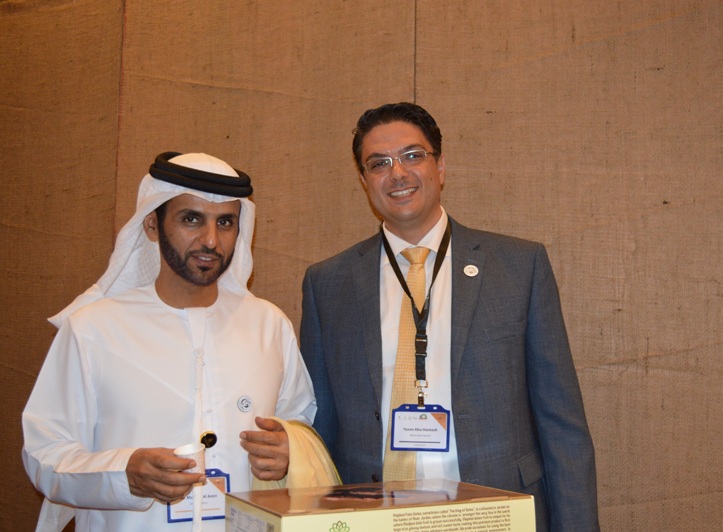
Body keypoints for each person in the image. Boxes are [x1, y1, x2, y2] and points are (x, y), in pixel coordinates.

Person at [300, 103, 599, 531]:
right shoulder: (328, 284)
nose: (397, 173)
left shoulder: (518, 267)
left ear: (440, 166)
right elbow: (320, 428)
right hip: (374, 517)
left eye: (412, 155)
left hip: (496, 511)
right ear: (364, 181)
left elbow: (561, 422)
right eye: (379, 163)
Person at [21, 152, 331, 531]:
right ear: (152, 225)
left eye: (225, 222)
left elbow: (299, 421)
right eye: (191, 219)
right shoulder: (93, 329)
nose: (211, 240)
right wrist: (123, 473)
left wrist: (289, 450)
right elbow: (45, 454)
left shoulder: (269, 325)